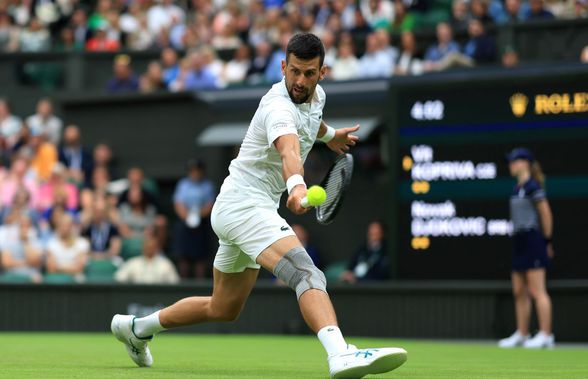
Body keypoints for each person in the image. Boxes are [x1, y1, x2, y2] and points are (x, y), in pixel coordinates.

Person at [111, 33, 407, 378]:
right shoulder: (277, 107)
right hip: (244, 206)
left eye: (309, 74)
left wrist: (330, 136)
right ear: (282, 66)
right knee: (306, 272)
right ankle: (340, 353)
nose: (299, 81)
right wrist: (297, 187)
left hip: (240, 207)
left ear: (321, 73)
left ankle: (136, 328)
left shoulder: (316, 96)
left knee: (223, 307)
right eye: (294, 71)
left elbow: (311, 122)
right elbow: (290, 151)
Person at [499, 148, 555, 349]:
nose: (511, 165)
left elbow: (546, 214)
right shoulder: (516, 188)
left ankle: (546, 334)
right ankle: (522, 333)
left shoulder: (533, 187)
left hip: (533, 240)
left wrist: (546, 241)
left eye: (514, 161)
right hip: (519, 241)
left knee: (537, 290)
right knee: (519, 291)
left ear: (524, 163)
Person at [173, 159, 215, 279]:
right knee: (183, 255)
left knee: (200, 257)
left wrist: (197, 216)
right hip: (185, 222)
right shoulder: (183, 184)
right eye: (192, 171)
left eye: (197, 171)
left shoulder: (207, 185)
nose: (195, 173)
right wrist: (188, 218)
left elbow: (210, 204)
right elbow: (178, 203)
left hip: (202, 223)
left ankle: (199, 283)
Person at [115, 230, 180, 284]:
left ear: (156, 248)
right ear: (143, 247)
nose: (149, 249)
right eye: (147, 246)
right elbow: (119, 279)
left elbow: (174, 282)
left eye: (151, 247)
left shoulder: (165, 264)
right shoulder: (133, 262)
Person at [46, 213, 90, 280]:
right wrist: (71, 268)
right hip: (57, 282)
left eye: (68, 225)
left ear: (73, 226)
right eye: (62, 225)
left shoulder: (82, 243)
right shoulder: (51, 244)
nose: (65, 228)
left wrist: (58, 267)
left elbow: (78, 268)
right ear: (58, 227)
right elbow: (51, 268)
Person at [0, 215, 43, 283]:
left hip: (32, 275)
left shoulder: (37, 242)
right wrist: (27, 262)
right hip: (12, 275)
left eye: (27, 226)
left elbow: (35, 262)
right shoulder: (8, 242)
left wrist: (25, 242)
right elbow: (6, 263)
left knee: (37, 279)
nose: (24, 229)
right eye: (21, 226)